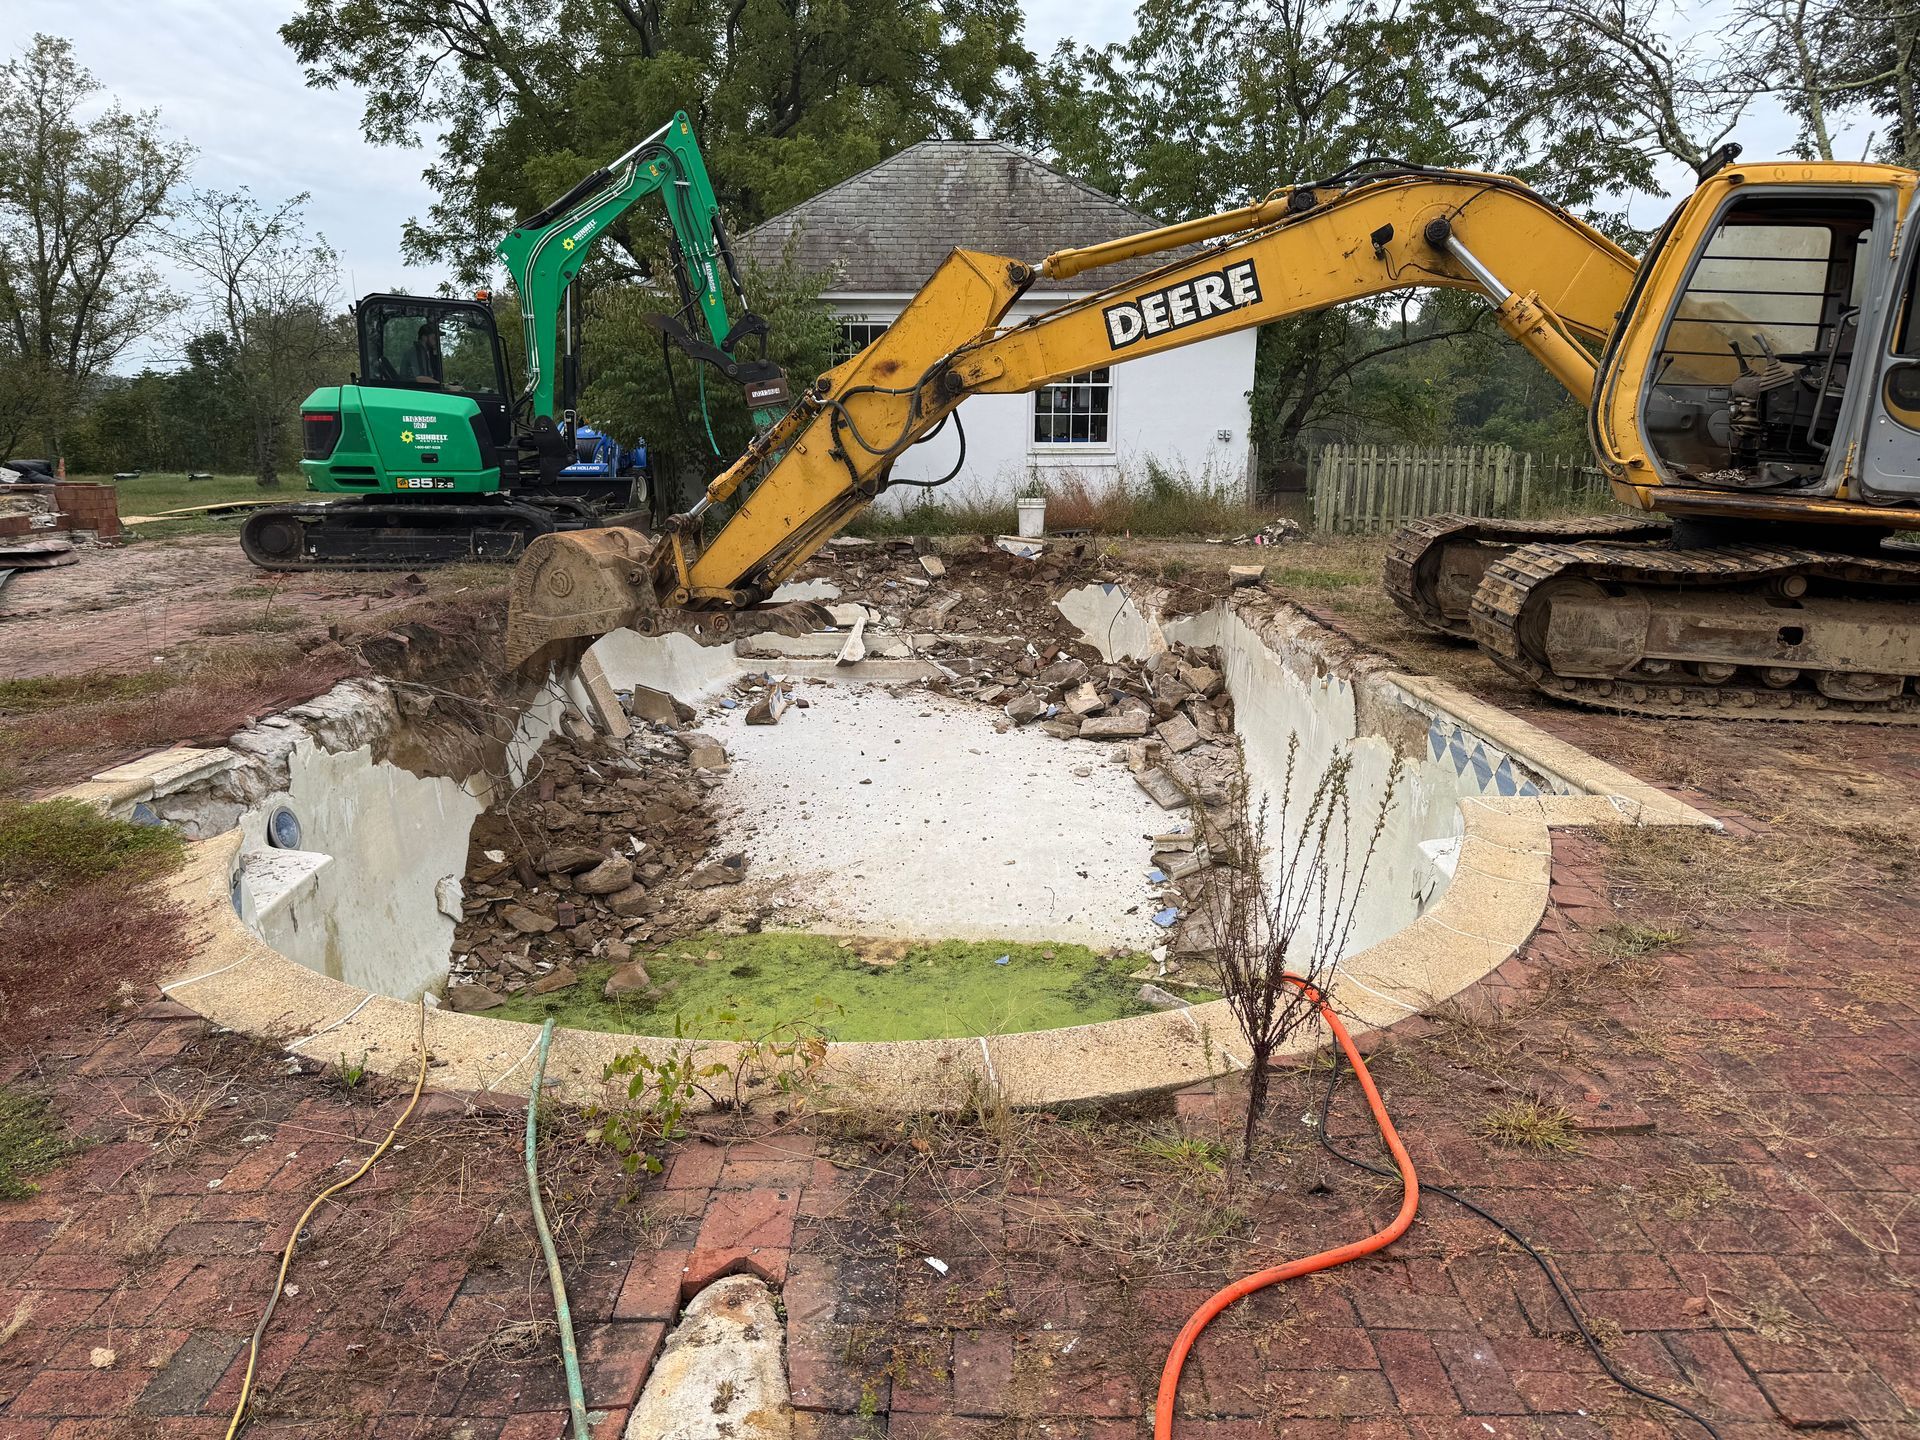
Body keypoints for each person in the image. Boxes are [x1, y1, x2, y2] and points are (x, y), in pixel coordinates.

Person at [399, 319, 445, 385]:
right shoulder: (416, 353)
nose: (437, 342)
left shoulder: (426, 353)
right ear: (424, 338)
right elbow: (420, 378)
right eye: (434, 338)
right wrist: (444, 386)